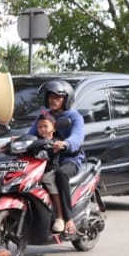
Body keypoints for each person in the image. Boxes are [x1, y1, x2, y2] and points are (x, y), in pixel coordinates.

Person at [29, 79, 85, 238]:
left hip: (69, 159)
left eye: (57, 97)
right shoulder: (44, 116)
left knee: (60, 174)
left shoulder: (75, 117)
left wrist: (65, 143)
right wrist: (14, 143)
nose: (53, 100)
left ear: (66, 99)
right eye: (51, 97)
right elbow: (31, 134)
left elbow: (77, 137)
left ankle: (67, 219)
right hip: (48, 158)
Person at [33, 112, 66, 236]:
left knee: (50, 184)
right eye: (40, 127)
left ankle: (60, 217)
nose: (42, 129)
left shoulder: (55, 141)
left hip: (49, 171)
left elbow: (59, 146)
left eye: (45, 126)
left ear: (54, 128)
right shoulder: (36, 141)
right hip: (35, 171)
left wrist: (58, 145)